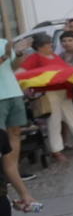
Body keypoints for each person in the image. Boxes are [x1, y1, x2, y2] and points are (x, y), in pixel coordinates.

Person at [20, 36, 73, 163]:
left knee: (72, 118)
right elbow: (21, 72)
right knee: (54, 121)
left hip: (63, 91)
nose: (51, 46)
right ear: (40, 47)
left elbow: (66, 69)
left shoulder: (55, 57)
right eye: (49, 45)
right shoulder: (34, 58)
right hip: (48, 92)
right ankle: (56, 150)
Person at [1, 35, 37, 182]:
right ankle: (4, 174)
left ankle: (13, 171)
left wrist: (20, 54)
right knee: (1, 137)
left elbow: (13, 67)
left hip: (13, 93)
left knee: (15, 133)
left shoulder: (3, 42)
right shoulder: (6, 47)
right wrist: (6, 55)